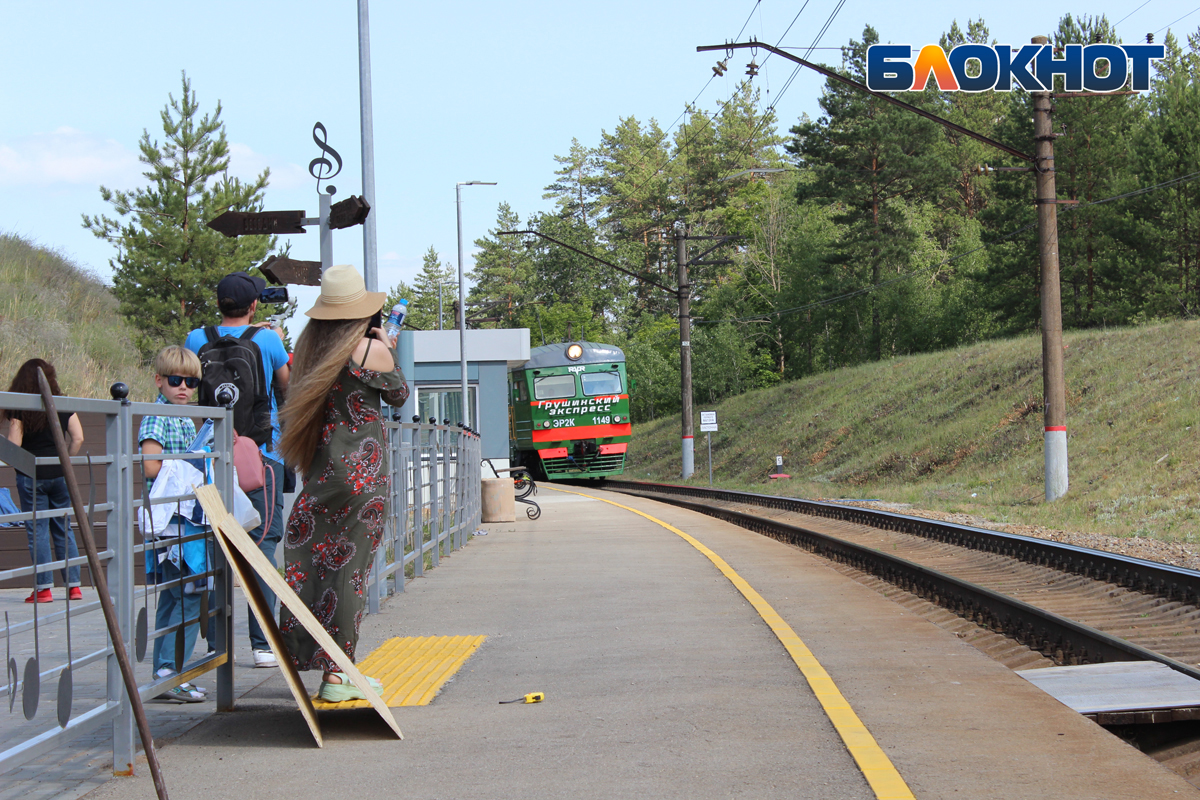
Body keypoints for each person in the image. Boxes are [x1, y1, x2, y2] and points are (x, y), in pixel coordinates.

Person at [277, 264, 408, 702]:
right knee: (350, 573)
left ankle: (306, 656)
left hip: (321, 473)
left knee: (310, 565)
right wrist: (386, 345)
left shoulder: (310, 353)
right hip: (363, 480)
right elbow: (398, 394)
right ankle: (338, 674)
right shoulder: (370, 350)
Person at [185, 271, 290, 669]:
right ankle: (263, 644)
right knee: (261, 543)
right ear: (254, 305)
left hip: (213, 454)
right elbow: (286, 384)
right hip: (261, 455)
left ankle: (216, 643)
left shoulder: (197, 339)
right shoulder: (267, 339)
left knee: (215, 544)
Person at [139, 346, 208, 703]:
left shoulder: (183, 415)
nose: (184, 388)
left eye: (191, 382)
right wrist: (186, 465)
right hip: (172, 521)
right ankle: (169, 671)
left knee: (178, 595)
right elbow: (151, 465)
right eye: (176, 380)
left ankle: (168, 670)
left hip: (185, 515)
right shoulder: (156, 415)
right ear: (159, 380)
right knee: (186, 594)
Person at [3, 358, 84, 603]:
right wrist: (64, 463)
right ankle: (74, 587)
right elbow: (78, 438)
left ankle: (44, 589)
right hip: (60, 475)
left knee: (37, 531)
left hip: (31, 476)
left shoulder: (21, 409)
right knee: (63, 528)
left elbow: (14, 447)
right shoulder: (62, 404)